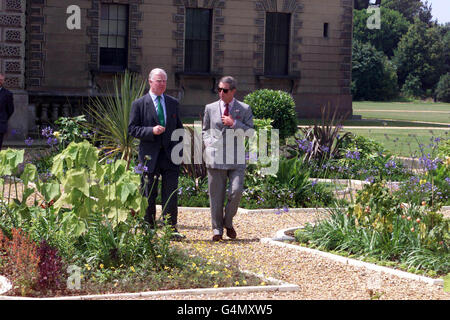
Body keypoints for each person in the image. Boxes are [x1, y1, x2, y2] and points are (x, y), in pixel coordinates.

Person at [128, 68, 185, 240]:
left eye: (164, 81)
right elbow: (132, 129)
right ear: (150, 82)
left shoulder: (173, 103)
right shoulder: (139, 104)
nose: (162, 84)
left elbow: (179, 129)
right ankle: (148, 228)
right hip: (149, 155)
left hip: (169, 156)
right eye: (159, 81)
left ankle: (170, 229)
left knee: (171, 193)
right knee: (148, 193)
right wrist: (151, 131)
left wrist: (179, 152)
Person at [202, 76, 254, 241]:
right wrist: (209, 143)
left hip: (236, 158)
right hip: (215, 156)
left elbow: (250, 133)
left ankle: (228, 222)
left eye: (224, 90)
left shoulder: (244, 109)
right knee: (216, 196)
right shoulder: (210, 108)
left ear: (233, 91)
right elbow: (205, 130)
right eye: (219, 89)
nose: (221, 93)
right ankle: (217, 229)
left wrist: (234, 123)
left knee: (236, 191)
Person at [0, 73, 14, 150]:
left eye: (1, 80)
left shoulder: (7, 94)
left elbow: (10, 110)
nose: (0, 81)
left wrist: (3, 119)